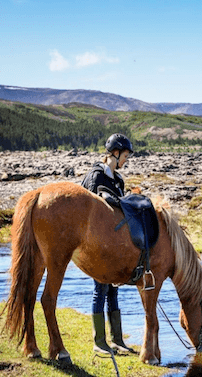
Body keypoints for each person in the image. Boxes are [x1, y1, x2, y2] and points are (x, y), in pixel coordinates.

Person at [81, 133, 136, 355]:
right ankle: (99, 343)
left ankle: (117, 341)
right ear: (115, 153)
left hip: (114, 244)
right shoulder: (95, 176)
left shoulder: (118, 180)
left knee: (113, 291)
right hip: (96, 244)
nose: (126, 160)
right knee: (99, 290)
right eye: (125, 155)